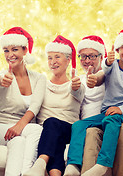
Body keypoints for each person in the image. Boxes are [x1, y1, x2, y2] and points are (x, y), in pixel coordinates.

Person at [64, 25, 123, 176]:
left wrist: (121, 109)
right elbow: (101, 74)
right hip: (109, 113)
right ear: (117, 50)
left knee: (112, 118)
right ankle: (73, 165)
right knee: (79, 125)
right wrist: (93, 79)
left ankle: (103, 164)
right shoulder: (111, 65)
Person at [0, 27, 46, 176]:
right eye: (6, 50)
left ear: (25, 51)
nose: (10, 55)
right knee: (37, 129)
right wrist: (2, 80)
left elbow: (35, 106)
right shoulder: (3, 75)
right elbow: (0, 80)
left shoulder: (39, 78)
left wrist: (19, 126)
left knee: (18, 142)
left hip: (20, 130)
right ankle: (28, 173)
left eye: (15, 50)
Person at [23, 35, 85, 176]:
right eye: (50, 58)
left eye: (57, 57)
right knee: (54, 136)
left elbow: (78, 92)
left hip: (68, 129)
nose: (53, 62)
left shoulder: (76, 84)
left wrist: (75, 86)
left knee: (51, 123)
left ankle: (40, 163)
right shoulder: (41, 83)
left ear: (68, 60)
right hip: (46, 133)